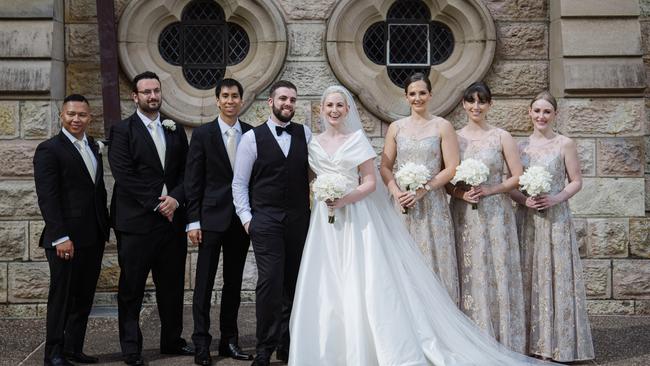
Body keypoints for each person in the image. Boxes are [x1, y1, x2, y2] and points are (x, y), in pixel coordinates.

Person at [289, 85, 557, 365]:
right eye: (329, 105)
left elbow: (442, 169)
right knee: (330, 278)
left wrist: (421, 188)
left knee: (396, 273)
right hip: (338, 215)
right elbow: (376, 168)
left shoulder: (427, 129)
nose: (334, 110)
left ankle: (414, 337)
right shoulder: (319, 141)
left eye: (339, 105)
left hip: (393, 208)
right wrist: (385, 191)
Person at [108, 71, 192, 365]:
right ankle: (131, 348)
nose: (153, 96)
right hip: (136, 223)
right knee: (132, 287)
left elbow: (186, 172)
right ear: (136, 96)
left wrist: (177, 199)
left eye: (156, 91)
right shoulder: (122, 131)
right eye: (147, 92)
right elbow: (124, 176)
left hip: (172, 221)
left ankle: (172, 340)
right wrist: (158, 204)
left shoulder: (175, 129)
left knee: (172, 285)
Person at [510, 92, 594, 362]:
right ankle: (529, 343)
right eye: (536, 111)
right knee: (529, 274)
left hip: (556, 219)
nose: (541, 116)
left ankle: (558, 345)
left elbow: (576, 180)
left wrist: (556, 198)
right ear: (529, 113)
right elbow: (510, 184)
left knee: (555, 276)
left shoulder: (564, 143)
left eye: (546, 112)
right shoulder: (519, 147)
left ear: (555, 114)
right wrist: (524, 200)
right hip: (528, 220)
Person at [232, 80, 311, 366]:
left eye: (292, 99)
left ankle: (288, 348)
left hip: (300, 221)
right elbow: (239, 183)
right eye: (283, 99)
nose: (288, 104)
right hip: (264, 221)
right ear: (270, 102)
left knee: (294, 284)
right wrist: (247, 220)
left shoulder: (306, 134)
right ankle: (265, 348)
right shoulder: (252, 138)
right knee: (270, 283)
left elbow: (319, 173)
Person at [446, 82, 526, 352]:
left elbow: (517, 176)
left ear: (490, 105)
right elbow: (447, 180)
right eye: (471, 101)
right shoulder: (454, 137)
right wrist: (460, 195)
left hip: (495, 214)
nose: (476, 107)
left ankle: (500, 337)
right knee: (469, 269)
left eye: (482, 101)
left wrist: (491, 188)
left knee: (495, 268)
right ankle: (468, 337)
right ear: (464, 104)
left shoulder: (501, 136)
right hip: (464, 214)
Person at [34, 94, 109, 366]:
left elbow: (95, 190)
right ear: (61, 116)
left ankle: (73, 349)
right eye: (71, 114)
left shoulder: (92, 146)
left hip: (93, 235)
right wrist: (60, 237)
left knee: (84, 297)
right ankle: (53, 353)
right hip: (65, 239)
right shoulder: (49, 149)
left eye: (82, 115)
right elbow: (48, 197)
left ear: (89, 117)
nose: (76, 119)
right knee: (62, 299)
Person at [185, 78, 253, 365]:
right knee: (203, 285)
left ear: (241, 100)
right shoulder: (203, 135)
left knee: (233, 284)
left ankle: (229, 341)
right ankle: (201, 343)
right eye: (225, 96)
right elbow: (193, 180)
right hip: (210, 220)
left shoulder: (251, 133)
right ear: (217, 100)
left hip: (240, 221)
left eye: (235, 96)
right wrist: (193, 221)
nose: (230, 101)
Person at [380, 73, 460, 304]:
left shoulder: (442, 126)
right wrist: (396, 192)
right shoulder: (396, 128)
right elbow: (385, 166)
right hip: (402, 204)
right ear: (406, 98)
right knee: (403, 263)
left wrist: (424, 189)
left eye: (422, 93)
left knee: (433, 261)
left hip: (432, 205)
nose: (418, 98)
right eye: (412, 94)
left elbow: (452, 167)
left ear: (430, 95)